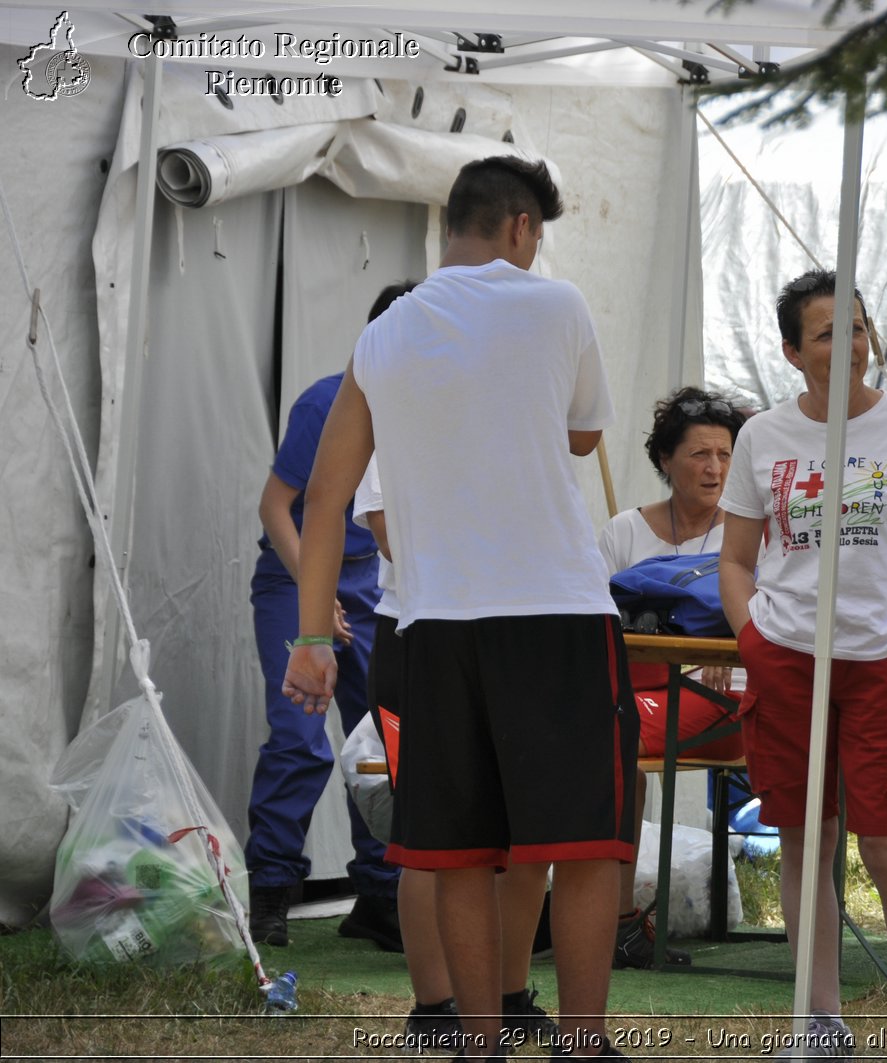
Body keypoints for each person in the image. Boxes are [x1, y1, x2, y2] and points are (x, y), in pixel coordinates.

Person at [282, 155, 636, 1061]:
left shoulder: (384, 336)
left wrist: (313, 634)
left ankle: (480, 1044)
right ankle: (583, 1044)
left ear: (453, 226)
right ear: (522, 227)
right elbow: (584, 430)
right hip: (554, 611)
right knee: (589, 840)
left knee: (457, 851)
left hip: (433, 622)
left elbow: (323, 498)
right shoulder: (556, 305)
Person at [719, 270, 887, 1061]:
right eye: (829, 332)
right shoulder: (762, 436)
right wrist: (752, 637)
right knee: (803, 839)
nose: (850, 344)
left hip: (882, 663)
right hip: (786, 661)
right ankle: (819, 1019)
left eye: (857, 328)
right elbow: (733, 557)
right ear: (794, 351)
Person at [354, 441, 558, 1054]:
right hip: (417, 636)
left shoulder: (506, 424)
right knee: (434, 838)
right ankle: (435, 1006)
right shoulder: (395, 433)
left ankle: (509, 997)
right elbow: (395, 541)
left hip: (514, 636)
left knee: (528, 832)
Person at [245, 308, 401, 952]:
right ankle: (271, 890)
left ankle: (380, 893)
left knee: (384, 737)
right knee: (301, 735)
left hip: (370, 578)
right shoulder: (326, 402)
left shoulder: (426, 400)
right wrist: (316, 598)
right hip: (295, 572)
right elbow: (276, 505)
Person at [597, 386, 748, 970]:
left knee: (614, 738)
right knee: (597, 736)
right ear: (665, 460)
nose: (715, 469)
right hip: (628, 697)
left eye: (726, 455)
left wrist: (732, 643)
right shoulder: (621, 533)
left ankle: (614, 923)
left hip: (721, 703)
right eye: (699, 455)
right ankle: (597, 916)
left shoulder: (748, 532)